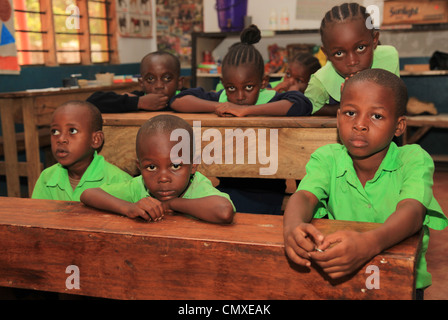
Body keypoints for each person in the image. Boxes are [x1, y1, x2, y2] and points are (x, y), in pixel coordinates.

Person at [283, 69, 447, 300]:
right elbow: (305, 196)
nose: (360, 125)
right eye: (350, 113)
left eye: (376, 116)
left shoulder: (413, 159)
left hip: (400, 279)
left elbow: (412, 211)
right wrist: (291, 227)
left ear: (399, 126)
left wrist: (370, 243)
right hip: (340, 277)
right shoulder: (327, 157)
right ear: (338, 117)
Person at [80, 114, 235, 224]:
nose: (163, 178)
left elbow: (224, 211)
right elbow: (89, 194)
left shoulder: (198, 187)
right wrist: (129, 208)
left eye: (175, 166)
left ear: (193, 165)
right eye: (151, 167)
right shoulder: (138, 186)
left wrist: (171, 204)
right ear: (139, 167)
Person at [170, 24, 312, 117]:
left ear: (263, 82)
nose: (239, 96)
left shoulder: (271, 98)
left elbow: (302, 104)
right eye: (231, 88)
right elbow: (177, 100)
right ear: (223, 83)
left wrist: (246, 110)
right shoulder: (222, 99)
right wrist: (220, 106)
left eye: (249, 87)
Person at [305, 2, 400, 116]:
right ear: (327, 54)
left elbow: (396, 102)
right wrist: (346, 105)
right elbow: (308, 108)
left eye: (360, 48)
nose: (352, 62)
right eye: (339, 53)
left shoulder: (388, 58)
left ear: (374, 40)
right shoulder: (321, 81)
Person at [31, 100, 132, 201]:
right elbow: (37, 215)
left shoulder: (119, 181)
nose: (61, 139)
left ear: (96, 139)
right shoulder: (47, 178)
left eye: (72, 131)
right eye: (55, 131)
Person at [87, 51, 184, 113]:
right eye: (150, 79)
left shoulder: (188, 96)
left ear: (179, 82)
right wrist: (138, 102)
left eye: (167, 78)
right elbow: (92, 103)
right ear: (141, 83)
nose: (159, 86)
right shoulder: (138, 98)